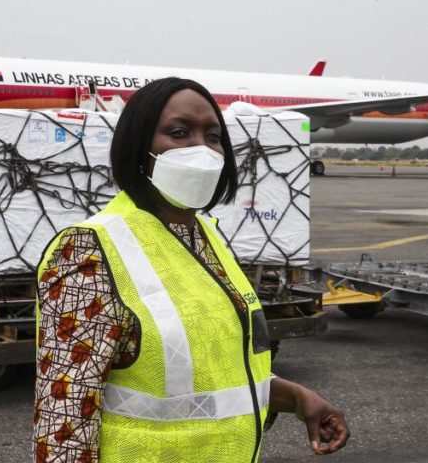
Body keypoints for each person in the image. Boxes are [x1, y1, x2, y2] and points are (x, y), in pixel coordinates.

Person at [33, 77, 349, 462]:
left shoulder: (206, 237)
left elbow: (215, 373)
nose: (202, 149)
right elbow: (63, 421)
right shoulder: (91, 250)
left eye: (213, 136)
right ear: (139, 146)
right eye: (179, 133)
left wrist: (296, 398)